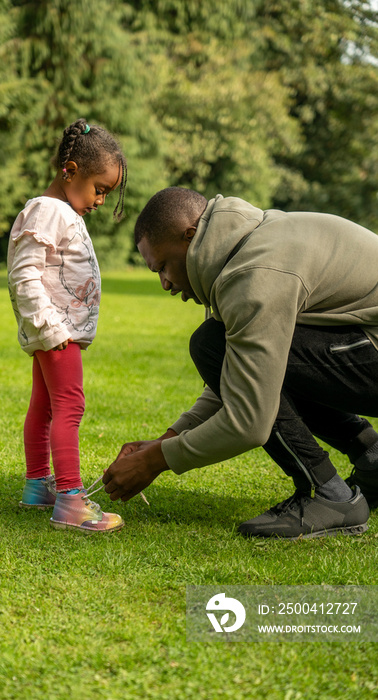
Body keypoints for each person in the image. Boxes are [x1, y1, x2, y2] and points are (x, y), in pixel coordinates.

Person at [102, 186, 378, 539]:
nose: (165, 283)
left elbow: (249, 421)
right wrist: (164, 440)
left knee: (209, 345)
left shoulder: (254, 275)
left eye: (164, 267)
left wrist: (156, 461)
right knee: (214, 345)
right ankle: (373, 458)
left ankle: (331, 497)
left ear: (189, 236)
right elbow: (238, 373)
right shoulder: (243, 245)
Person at [8, 118, 127, 533]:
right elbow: (24, 274)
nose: (100, 200)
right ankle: (72, 500)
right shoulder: (48, 210)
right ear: (71, 170)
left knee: (44, 406)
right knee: (70, 407)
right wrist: (50, 327)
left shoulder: (60, 211)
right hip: (56, 332)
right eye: (100, 189)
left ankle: (39, 486)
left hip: (56, 330)